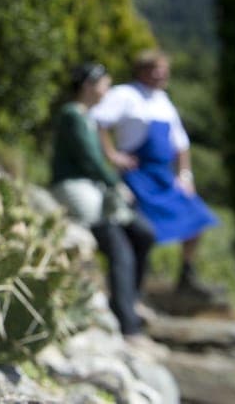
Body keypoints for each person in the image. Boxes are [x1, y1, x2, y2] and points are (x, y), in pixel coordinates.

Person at [91, 49, 219, 298]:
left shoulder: (163, 101)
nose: (161, 74)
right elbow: (98, 122)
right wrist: (112, 155)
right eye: (154, 69)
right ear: (141, 71)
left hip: (164, 177)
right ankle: (133, 289)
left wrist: (185, 176)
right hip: (138, 176)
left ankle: (187, 274)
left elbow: (181, 144)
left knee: (197, 218)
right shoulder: (126, 95)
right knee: (142, 233)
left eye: (163, 69)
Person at [50, 62, 156, 336]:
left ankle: (131, 302)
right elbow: (88, 158)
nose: (108, 89)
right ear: (88, 86)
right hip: (77, 189)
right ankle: (128, 323)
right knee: (119, 247)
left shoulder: (88, 117)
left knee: (143, 234)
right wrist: (115, 183)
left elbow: (96, 157)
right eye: (104, 83)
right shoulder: (72, 115)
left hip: (95, 189)